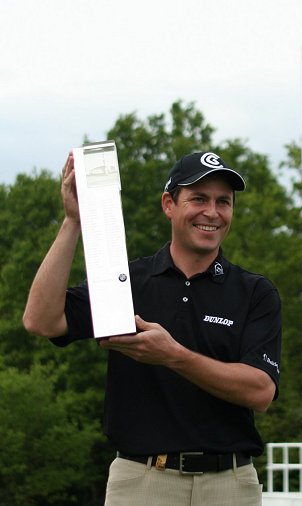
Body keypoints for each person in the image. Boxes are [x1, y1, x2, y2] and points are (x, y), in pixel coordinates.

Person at [23, 150, 282, 506]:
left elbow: (260, 391)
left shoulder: (255, 292)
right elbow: (41, 320)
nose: (212, 212)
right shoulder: (126, 282)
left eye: (224, 201)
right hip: (142, 481)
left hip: (231, 484)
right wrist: (73, 222)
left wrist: (173, 356)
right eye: (199, 198)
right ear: (168, 204)